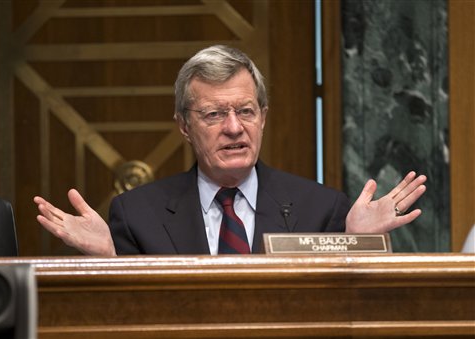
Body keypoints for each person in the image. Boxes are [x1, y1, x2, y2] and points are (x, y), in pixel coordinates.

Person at [34, 45, 427, 256]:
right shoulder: (137, 215)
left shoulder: (321, 209)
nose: (234, 128)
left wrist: (356, 243)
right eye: (214, 114)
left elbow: (343, 315)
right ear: (184, 126)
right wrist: (109, 262)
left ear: (264, 117)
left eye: (245, 111)